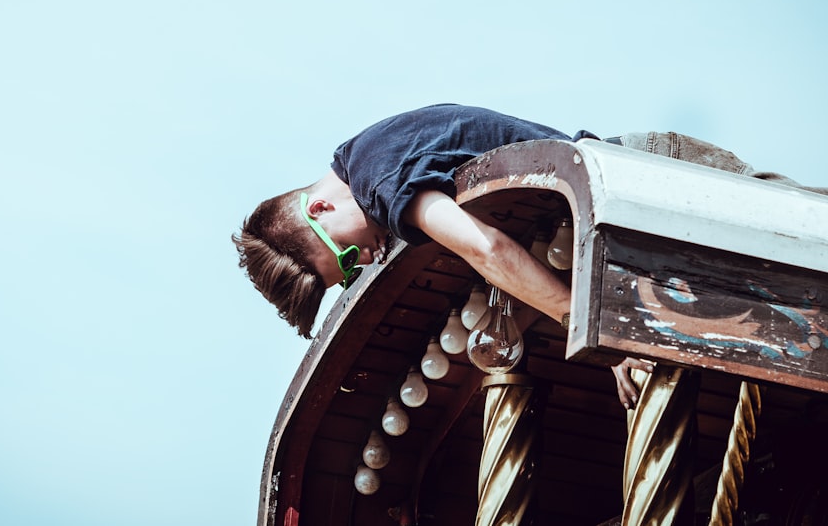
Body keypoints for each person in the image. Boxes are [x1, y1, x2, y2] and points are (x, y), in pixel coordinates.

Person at [232, 103, 826, 408]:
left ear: (321, 212)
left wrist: (596, 329)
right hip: (641, 191)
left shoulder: (382, 183)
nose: (367, 259)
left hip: (653, 184)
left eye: (349, 258)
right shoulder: (370, 153)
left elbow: (485, 247)